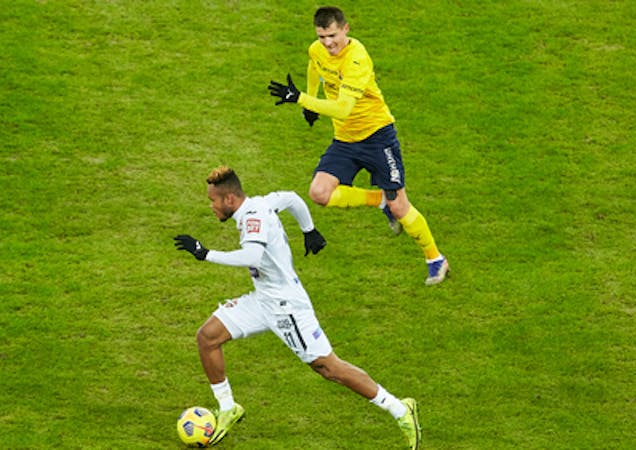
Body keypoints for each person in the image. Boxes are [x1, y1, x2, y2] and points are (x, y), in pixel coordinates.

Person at [173, 166, 421, 449]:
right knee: (207, 337)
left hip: (286, 307)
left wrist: (205, 254)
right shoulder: (262, 202)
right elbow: (291, 198)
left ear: (229, 199)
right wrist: (309, 230)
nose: (211, 206)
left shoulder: (253, 218)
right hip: (263, 298)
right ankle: (228, 407)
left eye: (213, 200)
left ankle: (400, 409)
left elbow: (252, 254)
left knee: (329, 368)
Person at [268, 6, 449, 286]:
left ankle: (435, 259)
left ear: (345, 29)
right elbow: (315, 66)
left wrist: (302, 99)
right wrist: (312, 100)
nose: (327, 43)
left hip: (378, 137)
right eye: (321, 36)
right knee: (319, 193)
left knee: (400, 206)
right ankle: (379, 201)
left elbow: (342, 109)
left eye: (332, 35)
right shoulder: (317, 49)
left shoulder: (357, 60)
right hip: (346, 141)